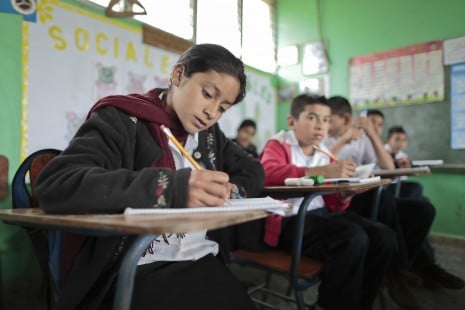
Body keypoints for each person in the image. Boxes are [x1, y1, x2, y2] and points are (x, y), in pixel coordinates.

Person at [34, 44, 265, 310]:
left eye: (223, 107)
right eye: (207, 94)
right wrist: (170, 187)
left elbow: (253, 169)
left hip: (199, 257)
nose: (211, 112)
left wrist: (233, 190)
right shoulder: (121, 119)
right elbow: (55, 184)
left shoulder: (209, 136)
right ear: (179, 76)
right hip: (135, 267)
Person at [260, 94, 397, 310]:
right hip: (291, 221)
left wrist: (345, 194)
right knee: (352, 238)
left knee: (384, 237)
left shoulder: (323, 152)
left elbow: (332, 203)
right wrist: (319, 171)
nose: (320, 127)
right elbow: (267, 173)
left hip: (321, 216)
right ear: (292, 122)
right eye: (312, 118)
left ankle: (361, 304)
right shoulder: (279, 144)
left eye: (325, 120)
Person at [324, 96, 437, 310]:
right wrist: (344, 139)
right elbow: (320, 164)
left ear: (345, 118)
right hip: (341, 200)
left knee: (423, 210)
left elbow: (389, 168)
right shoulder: (324, 138)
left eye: (328, 119)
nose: (323, 124)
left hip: (368, 198)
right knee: (382, 196)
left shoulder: (362, 138)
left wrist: (372, 134)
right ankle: (402, 270)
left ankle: (404, 267)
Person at [368, 110, 465, 291]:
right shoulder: (364, 144)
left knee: (421, 205)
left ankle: (423, 267)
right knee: (416, 196)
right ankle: (423, 268)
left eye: (379, 124)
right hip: (376, 198)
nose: (374, 127)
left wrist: (401, 166)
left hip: (388, 195)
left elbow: (388, 169)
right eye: (370, 122)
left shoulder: (380, 148)